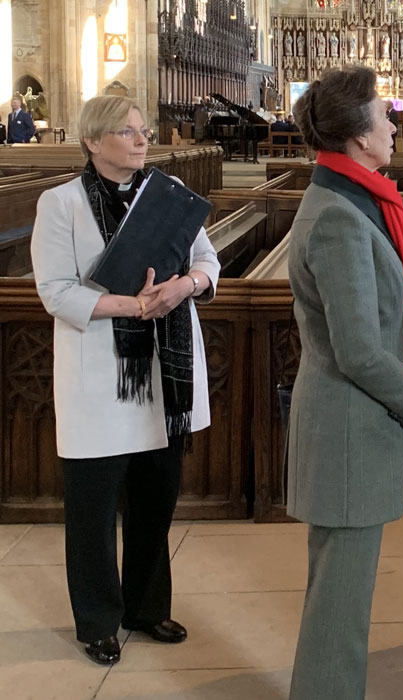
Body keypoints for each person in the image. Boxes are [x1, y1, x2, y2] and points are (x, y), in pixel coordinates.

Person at [29, 95, 219, 666]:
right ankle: (97, 620)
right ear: (93, 141)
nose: (142, 140)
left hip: (164, 375)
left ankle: (145, 607)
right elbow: (56, 291)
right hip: (100, 378)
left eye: (144, 131)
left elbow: (207, 264)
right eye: (127, 132)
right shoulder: (60, 204)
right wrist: (134, 305)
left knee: (154, 500)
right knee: (92, 509)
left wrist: (181, 288)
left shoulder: (168, 196)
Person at [285, 66, 403, 700]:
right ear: (357, 135)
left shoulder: (356, 197)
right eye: (384, 115)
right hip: (349, 428)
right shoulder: (339, 216)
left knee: (339, 598)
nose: (392, 124)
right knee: (339, 612)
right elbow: (357, 349)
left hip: (350, 427)